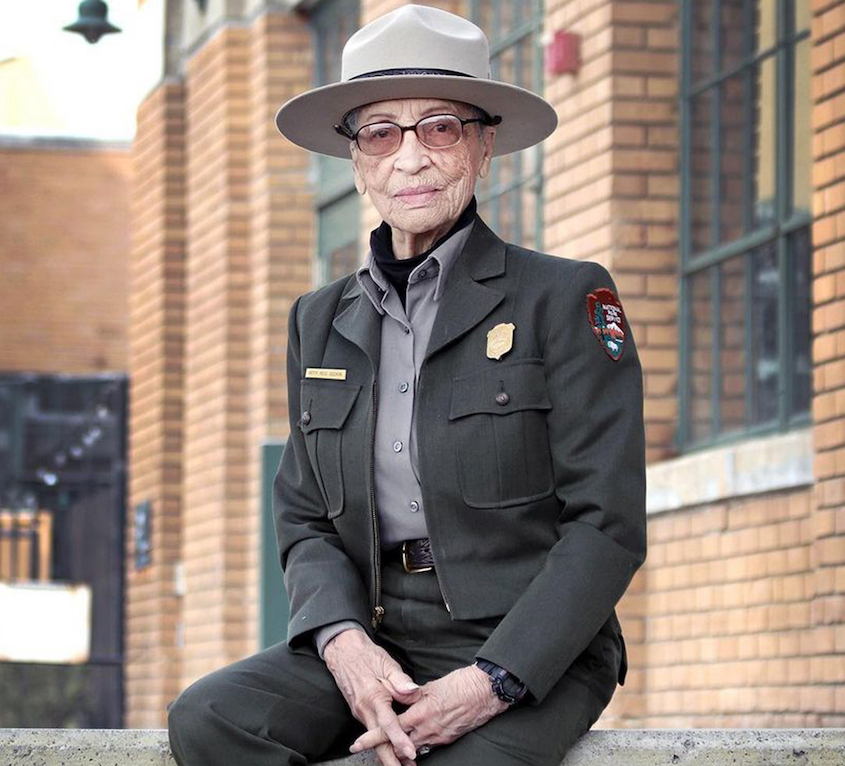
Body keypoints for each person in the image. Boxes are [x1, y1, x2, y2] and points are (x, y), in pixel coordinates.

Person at [167, 5, 646, 766]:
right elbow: (304, 516)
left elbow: (607, 523)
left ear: (484, 146)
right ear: (357, 161)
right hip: (379, 637)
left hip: (530, 649)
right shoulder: (318, 319)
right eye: (381, 134)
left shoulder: (562, 298)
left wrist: (491, 680)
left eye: (441, 128)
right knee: (211, 718)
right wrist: (342, 642)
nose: (410, 159)